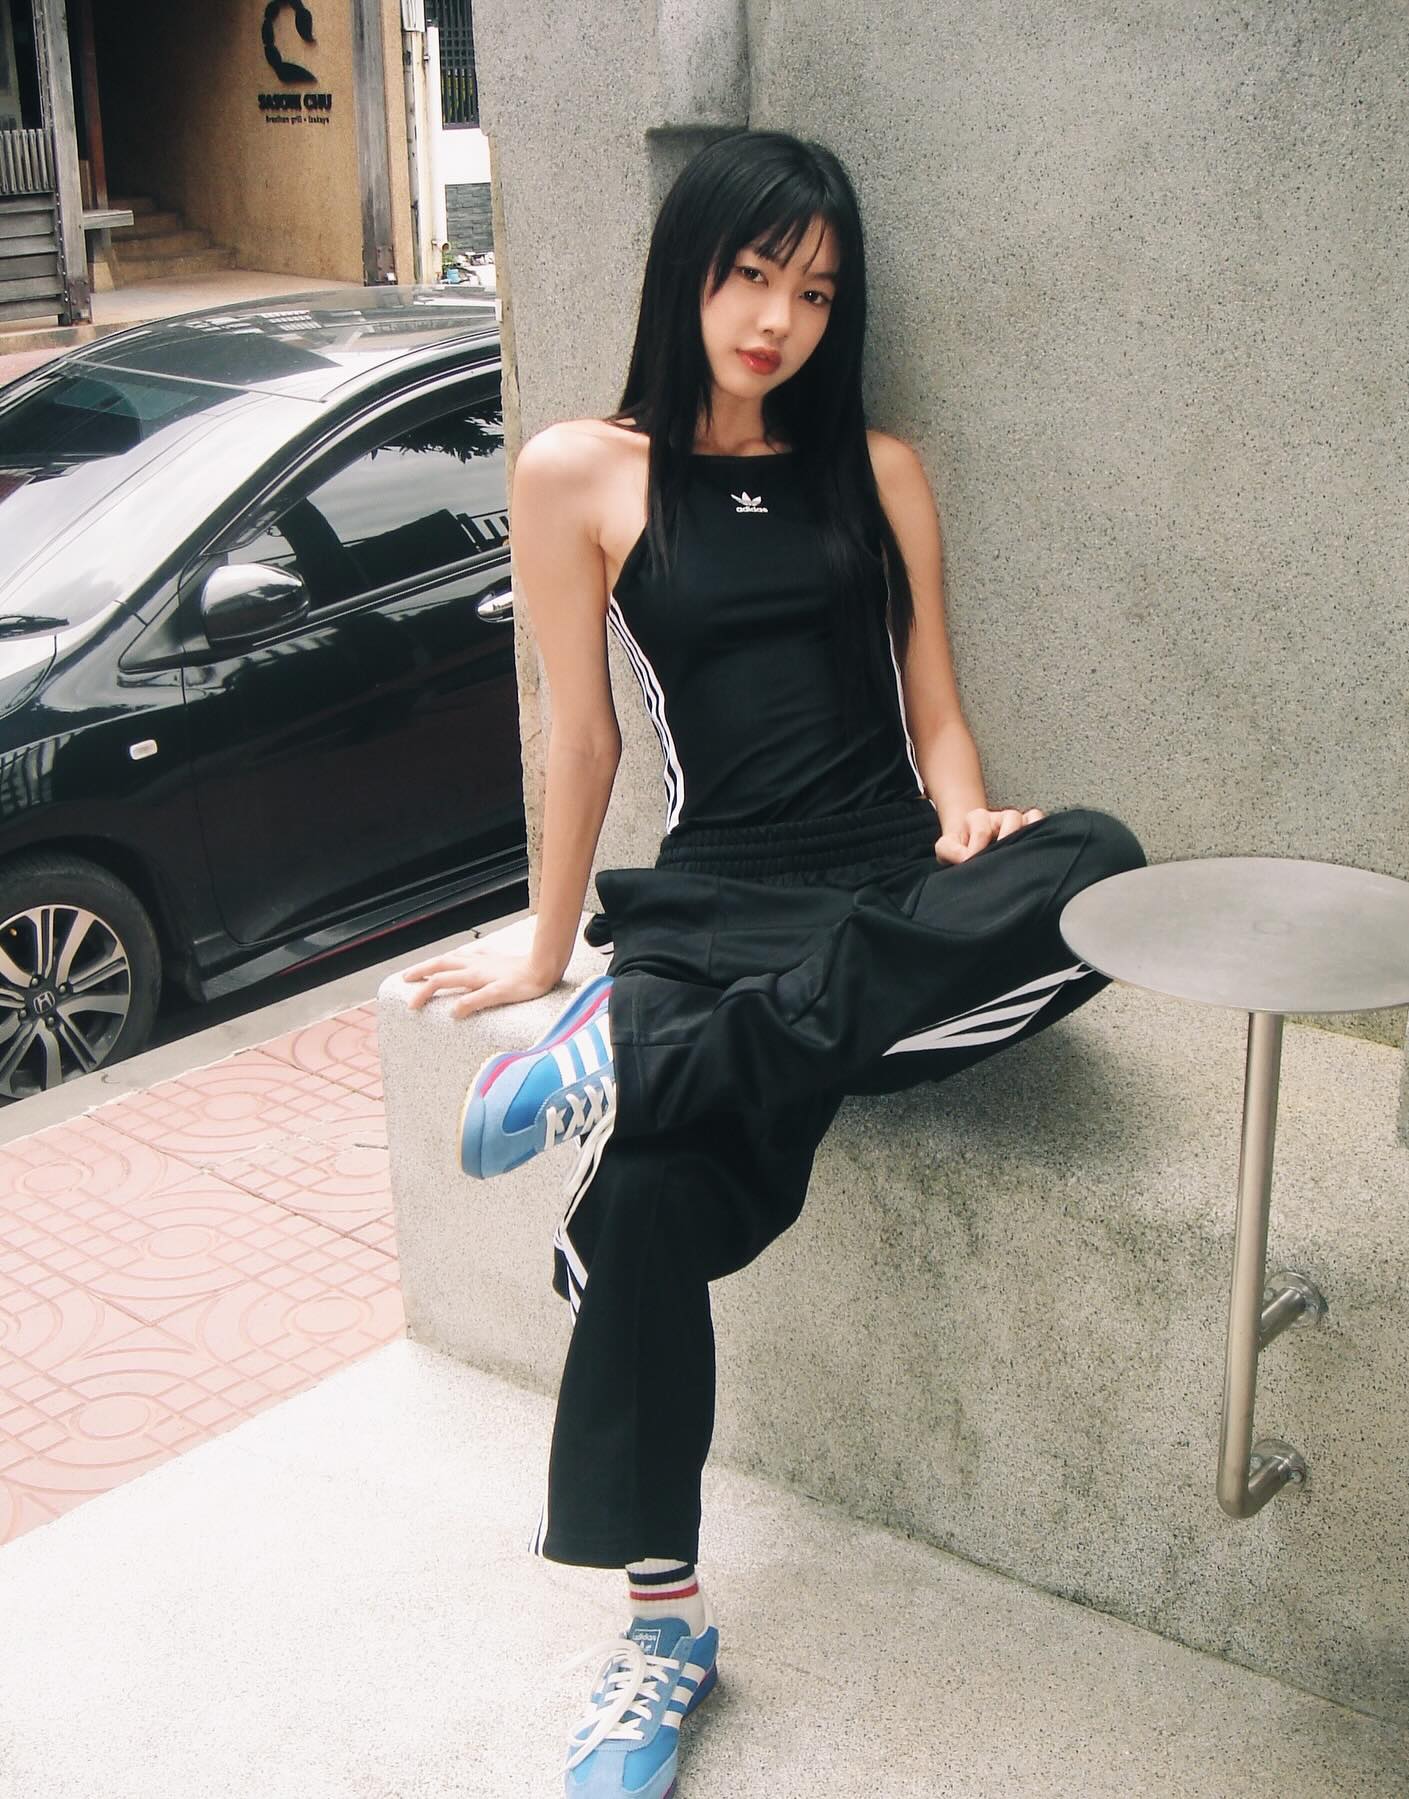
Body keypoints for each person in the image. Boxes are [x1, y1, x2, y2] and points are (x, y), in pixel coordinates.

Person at [398, 129, 1147, 1798]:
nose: (775, 321)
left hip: (882, 885)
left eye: (813, 293)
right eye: (751, 276)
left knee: (1098, 863)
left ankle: (640, 1060)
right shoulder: (581, 472)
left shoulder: (876, 468)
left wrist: (967, 820)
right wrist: (545, 948)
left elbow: (935, 707)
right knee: (650, 1195)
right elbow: (582, 738)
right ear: (689, 270)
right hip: (712, 897)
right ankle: (662, 1628)